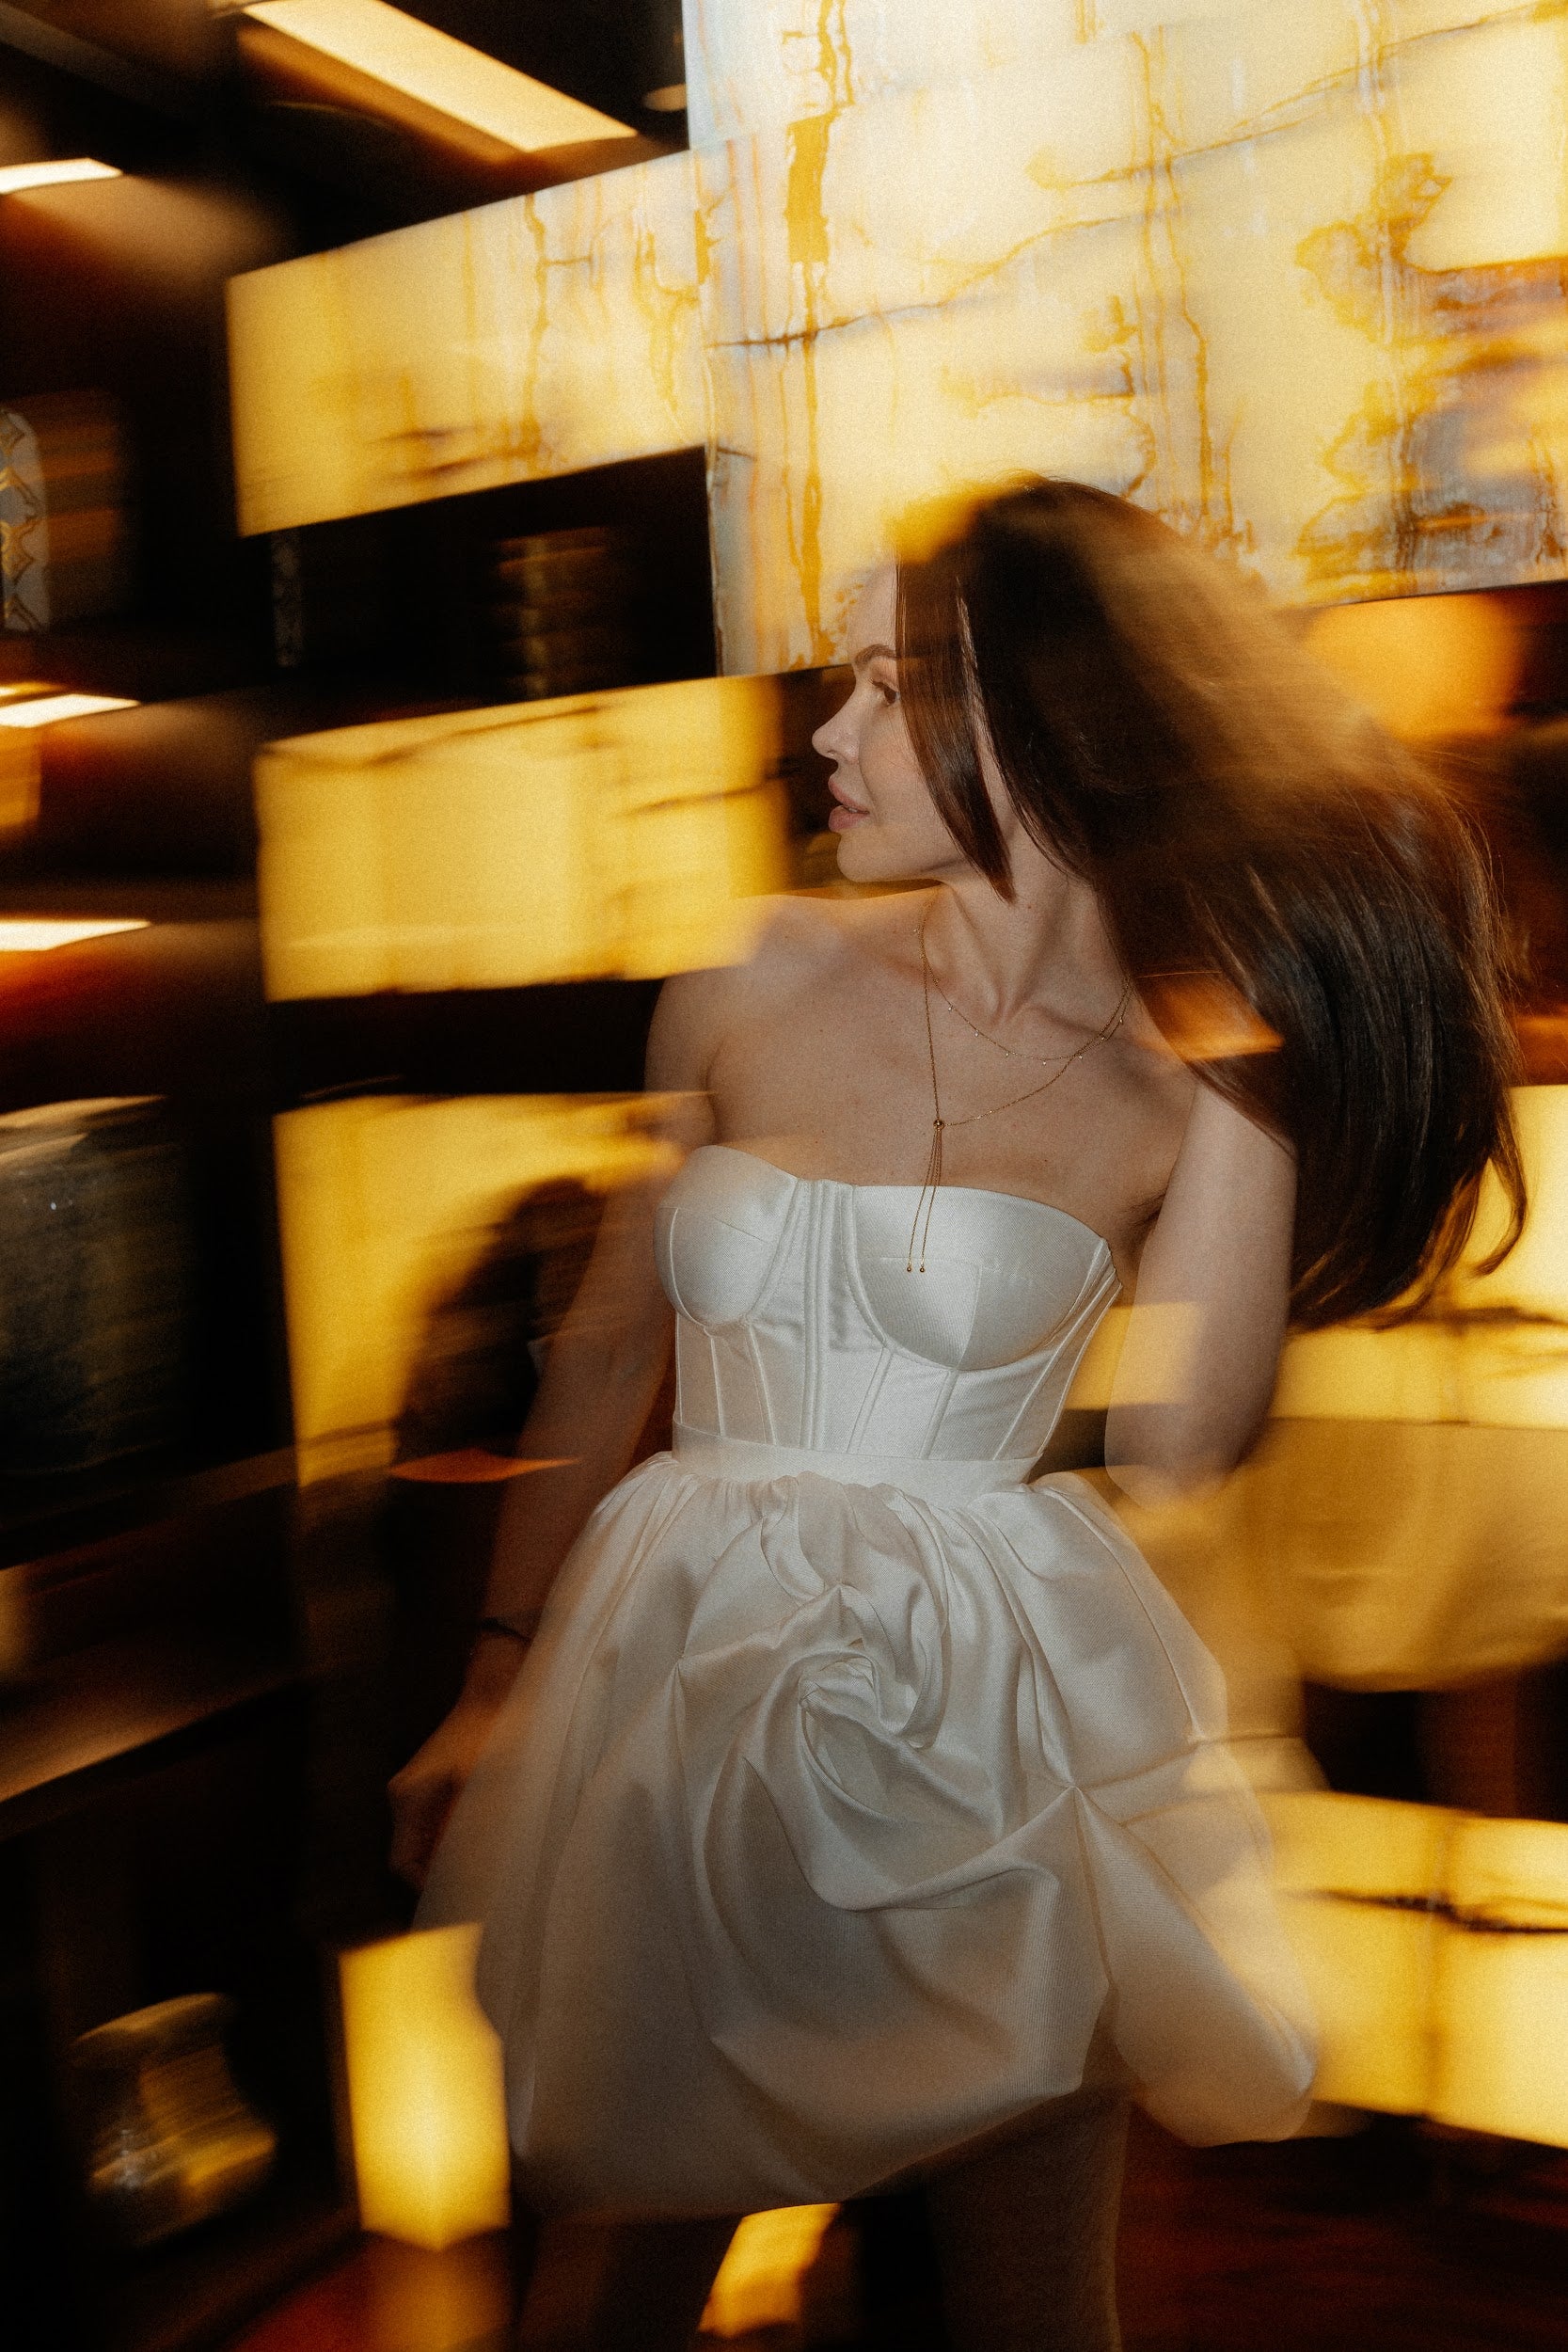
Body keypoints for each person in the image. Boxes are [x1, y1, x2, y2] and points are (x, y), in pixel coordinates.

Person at [391, 480, 1524, 2352]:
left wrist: (1247, 1072)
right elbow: (603, 1354)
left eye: (889, 684)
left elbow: (1179, 1447)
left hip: (984, 1701)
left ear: (1040, 723)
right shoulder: (748, 975)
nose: (829, 732)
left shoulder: (1181, 1082)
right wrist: (500, 1670)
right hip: (686, 1664)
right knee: (622, 2271)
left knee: (1032, 2294)